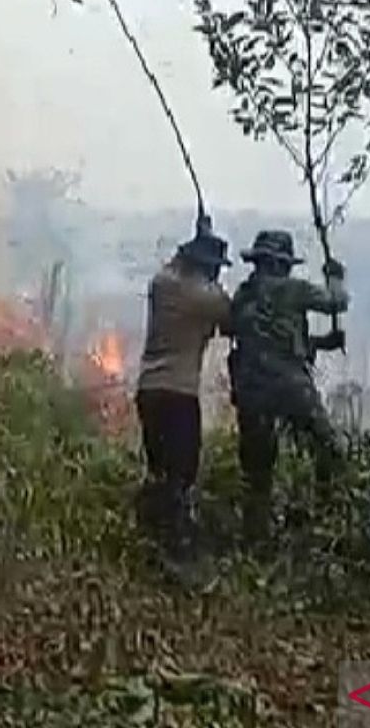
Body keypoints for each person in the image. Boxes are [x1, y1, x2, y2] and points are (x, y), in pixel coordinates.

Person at [227, 229, 348, 545]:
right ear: (282, 264)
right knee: (329, 446)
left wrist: (319, 344)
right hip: (289, 385)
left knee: (257, 471)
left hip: (251, 389)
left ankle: (256, 539)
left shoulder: (243, 295)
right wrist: (335, 276)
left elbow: (258, 336)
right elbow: (337, 302)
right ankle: (325, 514)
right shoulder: (293, 289)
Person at [134, 222, 232, 561]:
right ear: (209, 268)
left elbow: (173, 268)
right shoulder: (205, 298)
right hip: (179, 393)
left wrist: (197, 240)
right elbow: (230, 315)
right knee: (182, 472)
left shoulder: (161, 284)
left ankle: (149, 537)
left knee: (159, 467)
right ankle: (173, 545)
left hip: (148, 390)